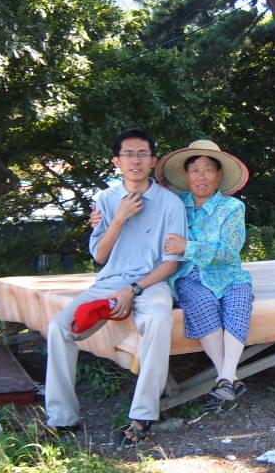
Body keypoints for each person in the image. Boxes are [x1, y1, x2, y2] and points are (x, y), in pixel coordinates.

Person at [45, 129, 187, 444]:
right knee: (59, 328)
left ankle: (143, 416)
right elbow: (99, 255)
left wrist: (134, 289)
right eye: (128, 154)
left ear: (154, 161)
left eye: (142, 154)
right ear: (116, 161)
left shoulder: (170, 203)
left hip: (151, 283)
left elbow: (171, 262)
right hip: (109, 281)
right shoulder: (105, 199)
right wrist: (119, 218)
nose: (135, 160)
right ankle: (62, 418)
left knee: (159, 320)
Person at [158, 140, 254, 403]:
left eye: (209, 169)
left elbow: (230, 251)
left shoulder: (233, 207)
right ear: (186, 175)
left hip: (228, 273)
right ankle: (228, 378)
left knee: (239, 299)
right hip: (189, 275)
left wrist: (187, 246)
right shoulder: (176, 204)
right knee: (202, 302)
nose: (202, 176)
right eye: (195, 170)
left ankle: (225, 377)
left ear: (219, 174)